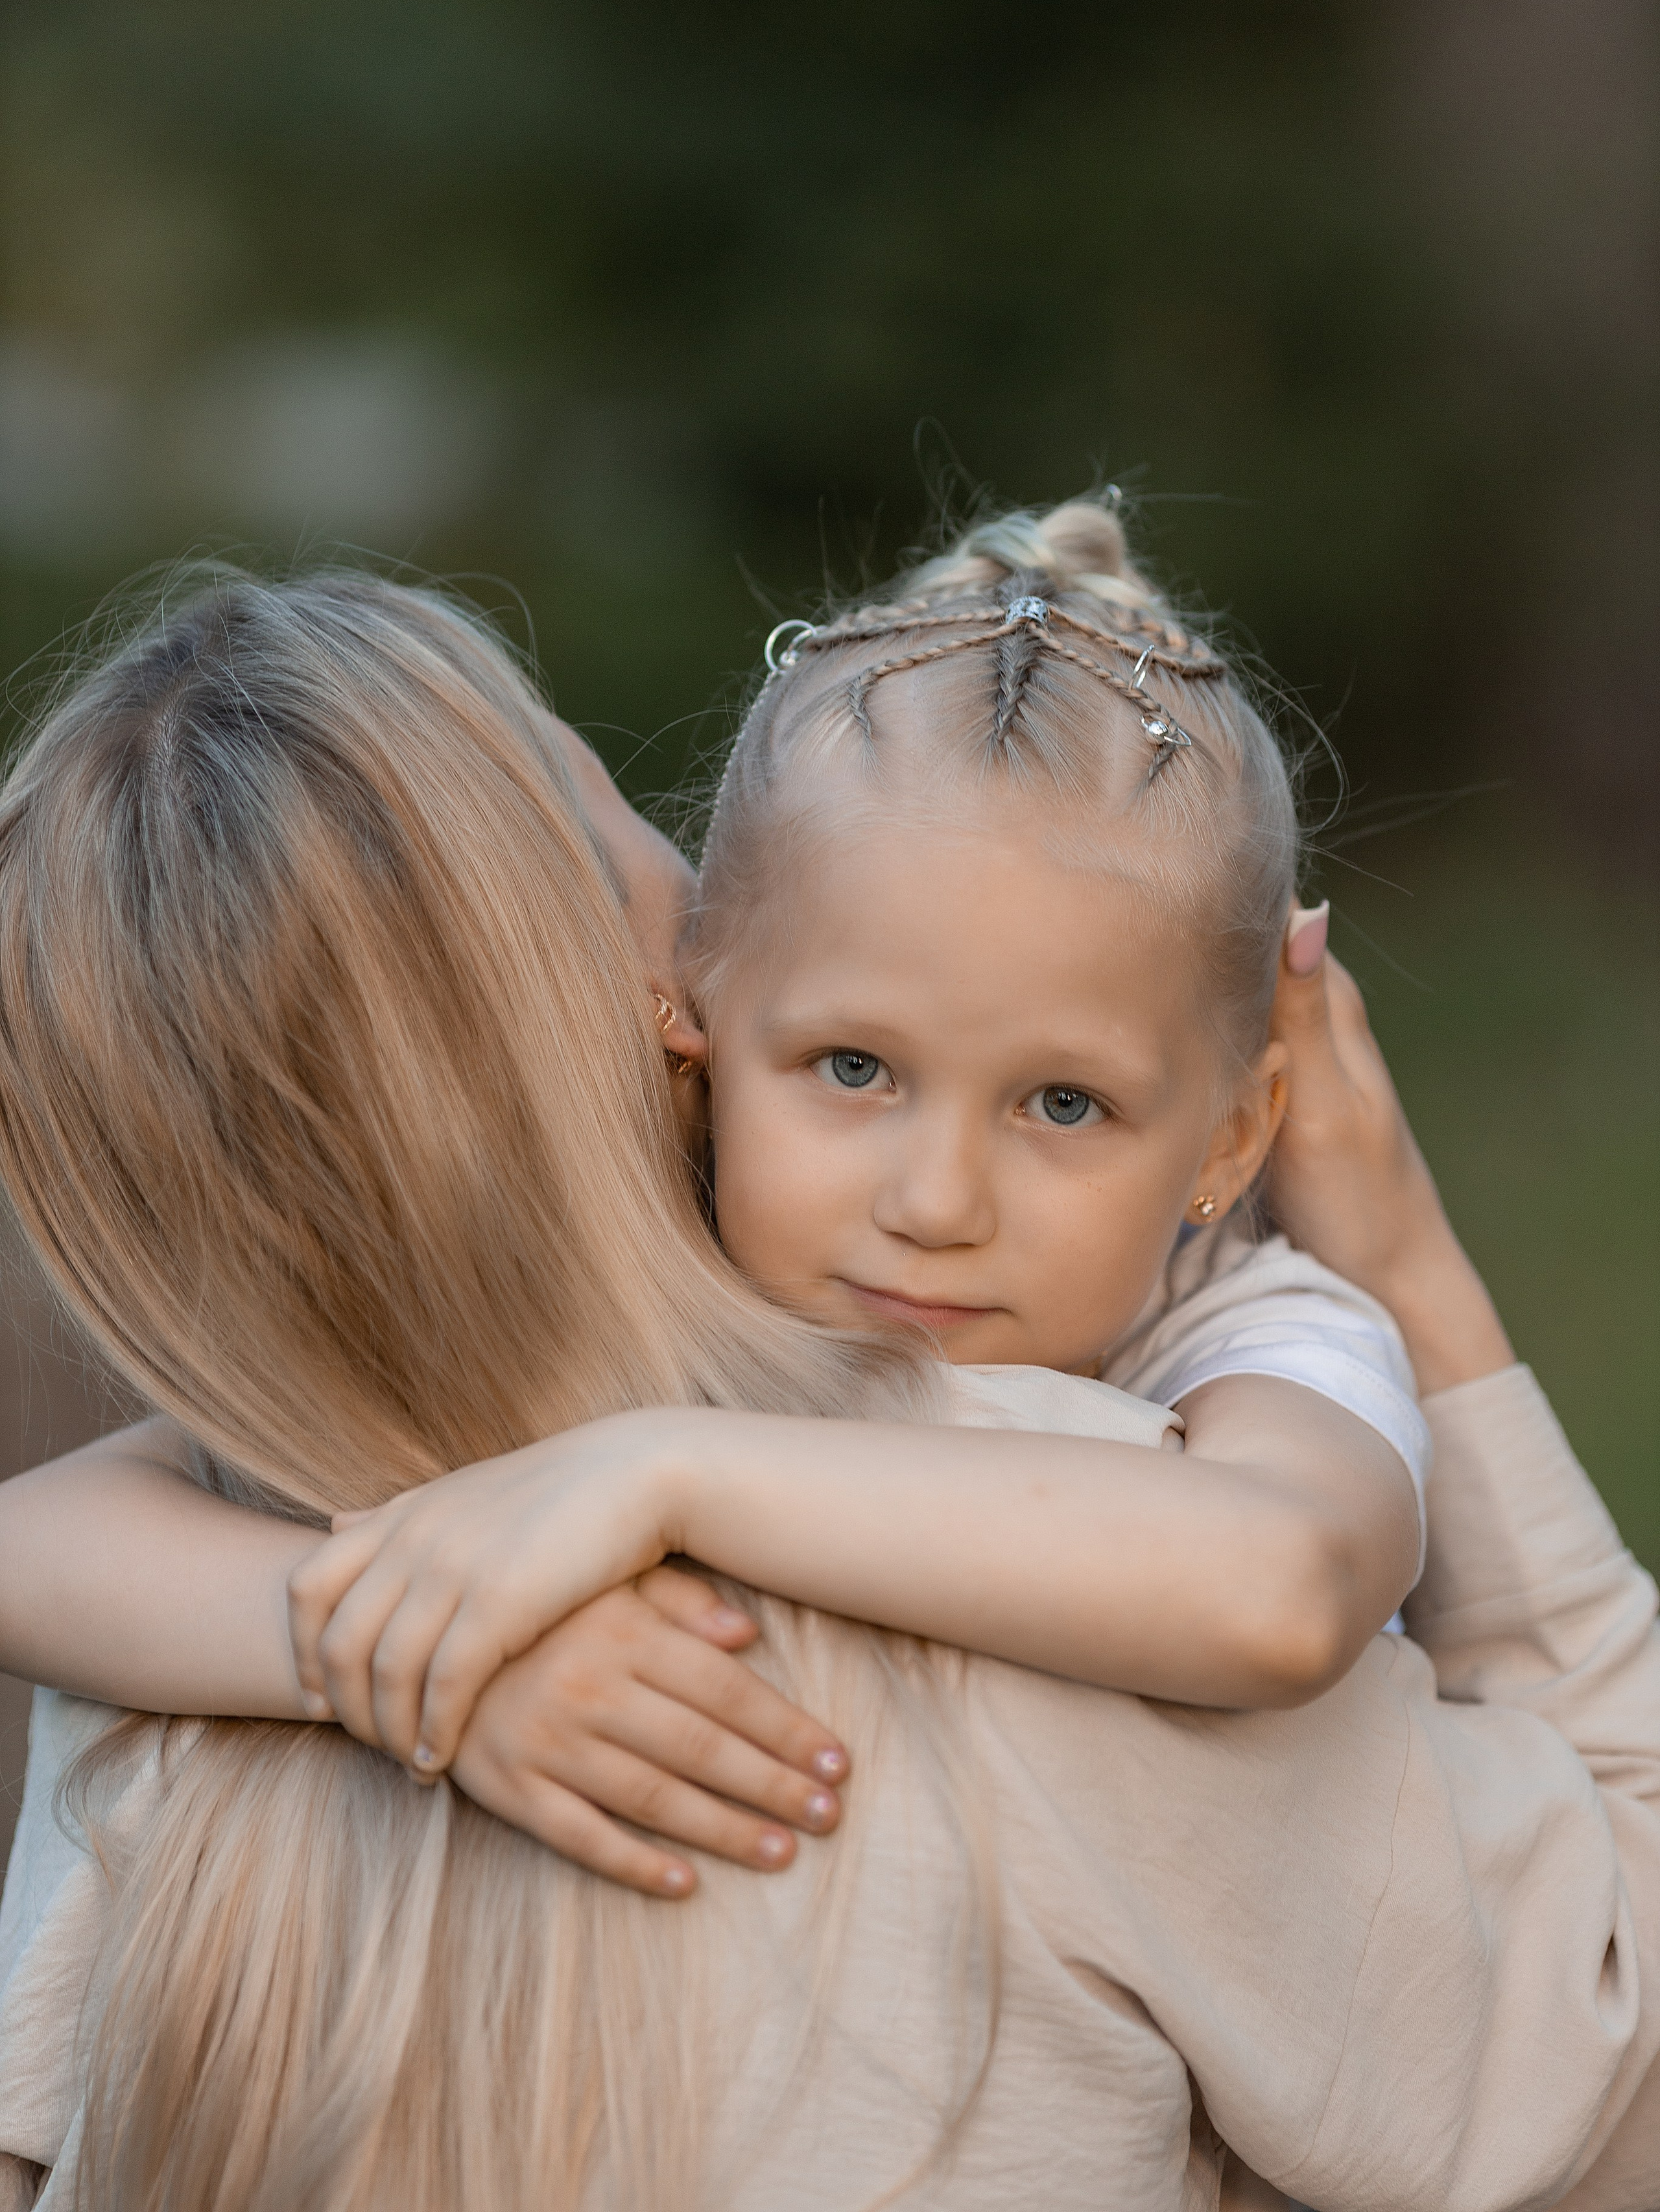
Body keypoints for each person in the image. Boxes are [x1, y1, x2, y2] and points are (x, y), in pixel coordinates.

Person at [0, 571, 1655, 2209]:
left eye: (1056, 1103)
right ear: (663, 995)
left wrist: (388, 1642)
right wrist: (1420, 1284)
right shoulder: (1068, 1576)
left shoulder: (175, 1632)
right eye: (576, 766)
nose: (936, 1197)